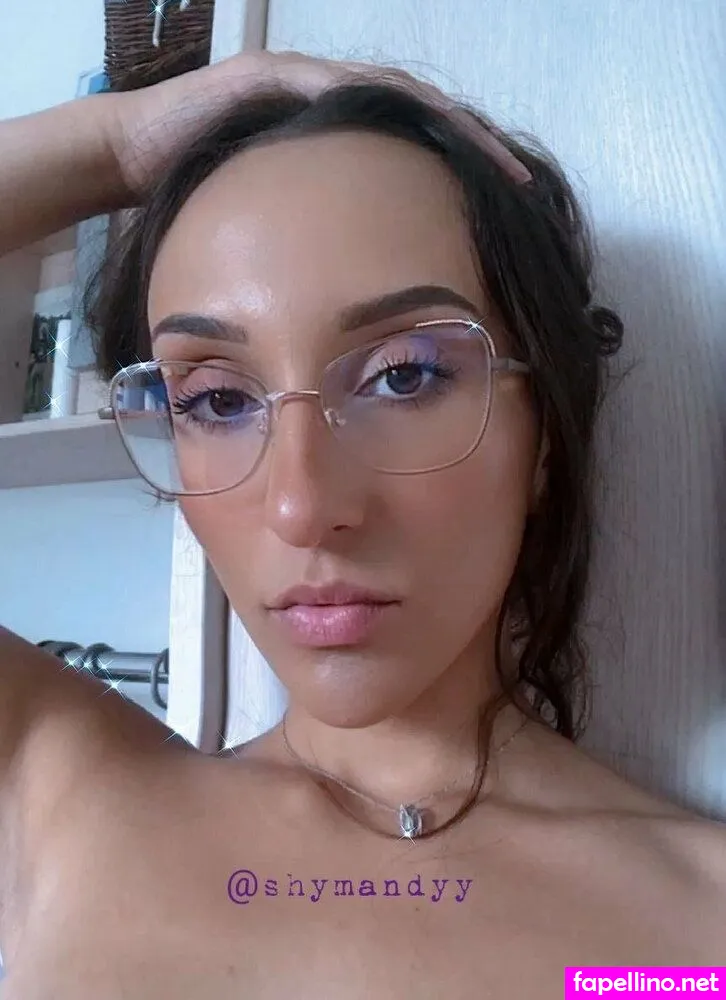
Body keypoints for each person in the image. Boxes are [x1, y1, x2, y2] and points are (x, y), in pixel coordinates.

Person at [0, 49, 724, 1000]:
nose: (302, 507)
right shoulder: (63, 805)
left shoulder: (696, 936)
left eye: (404, 376)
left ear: (543, 435)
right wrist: (119, 142)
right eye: (217, 400)